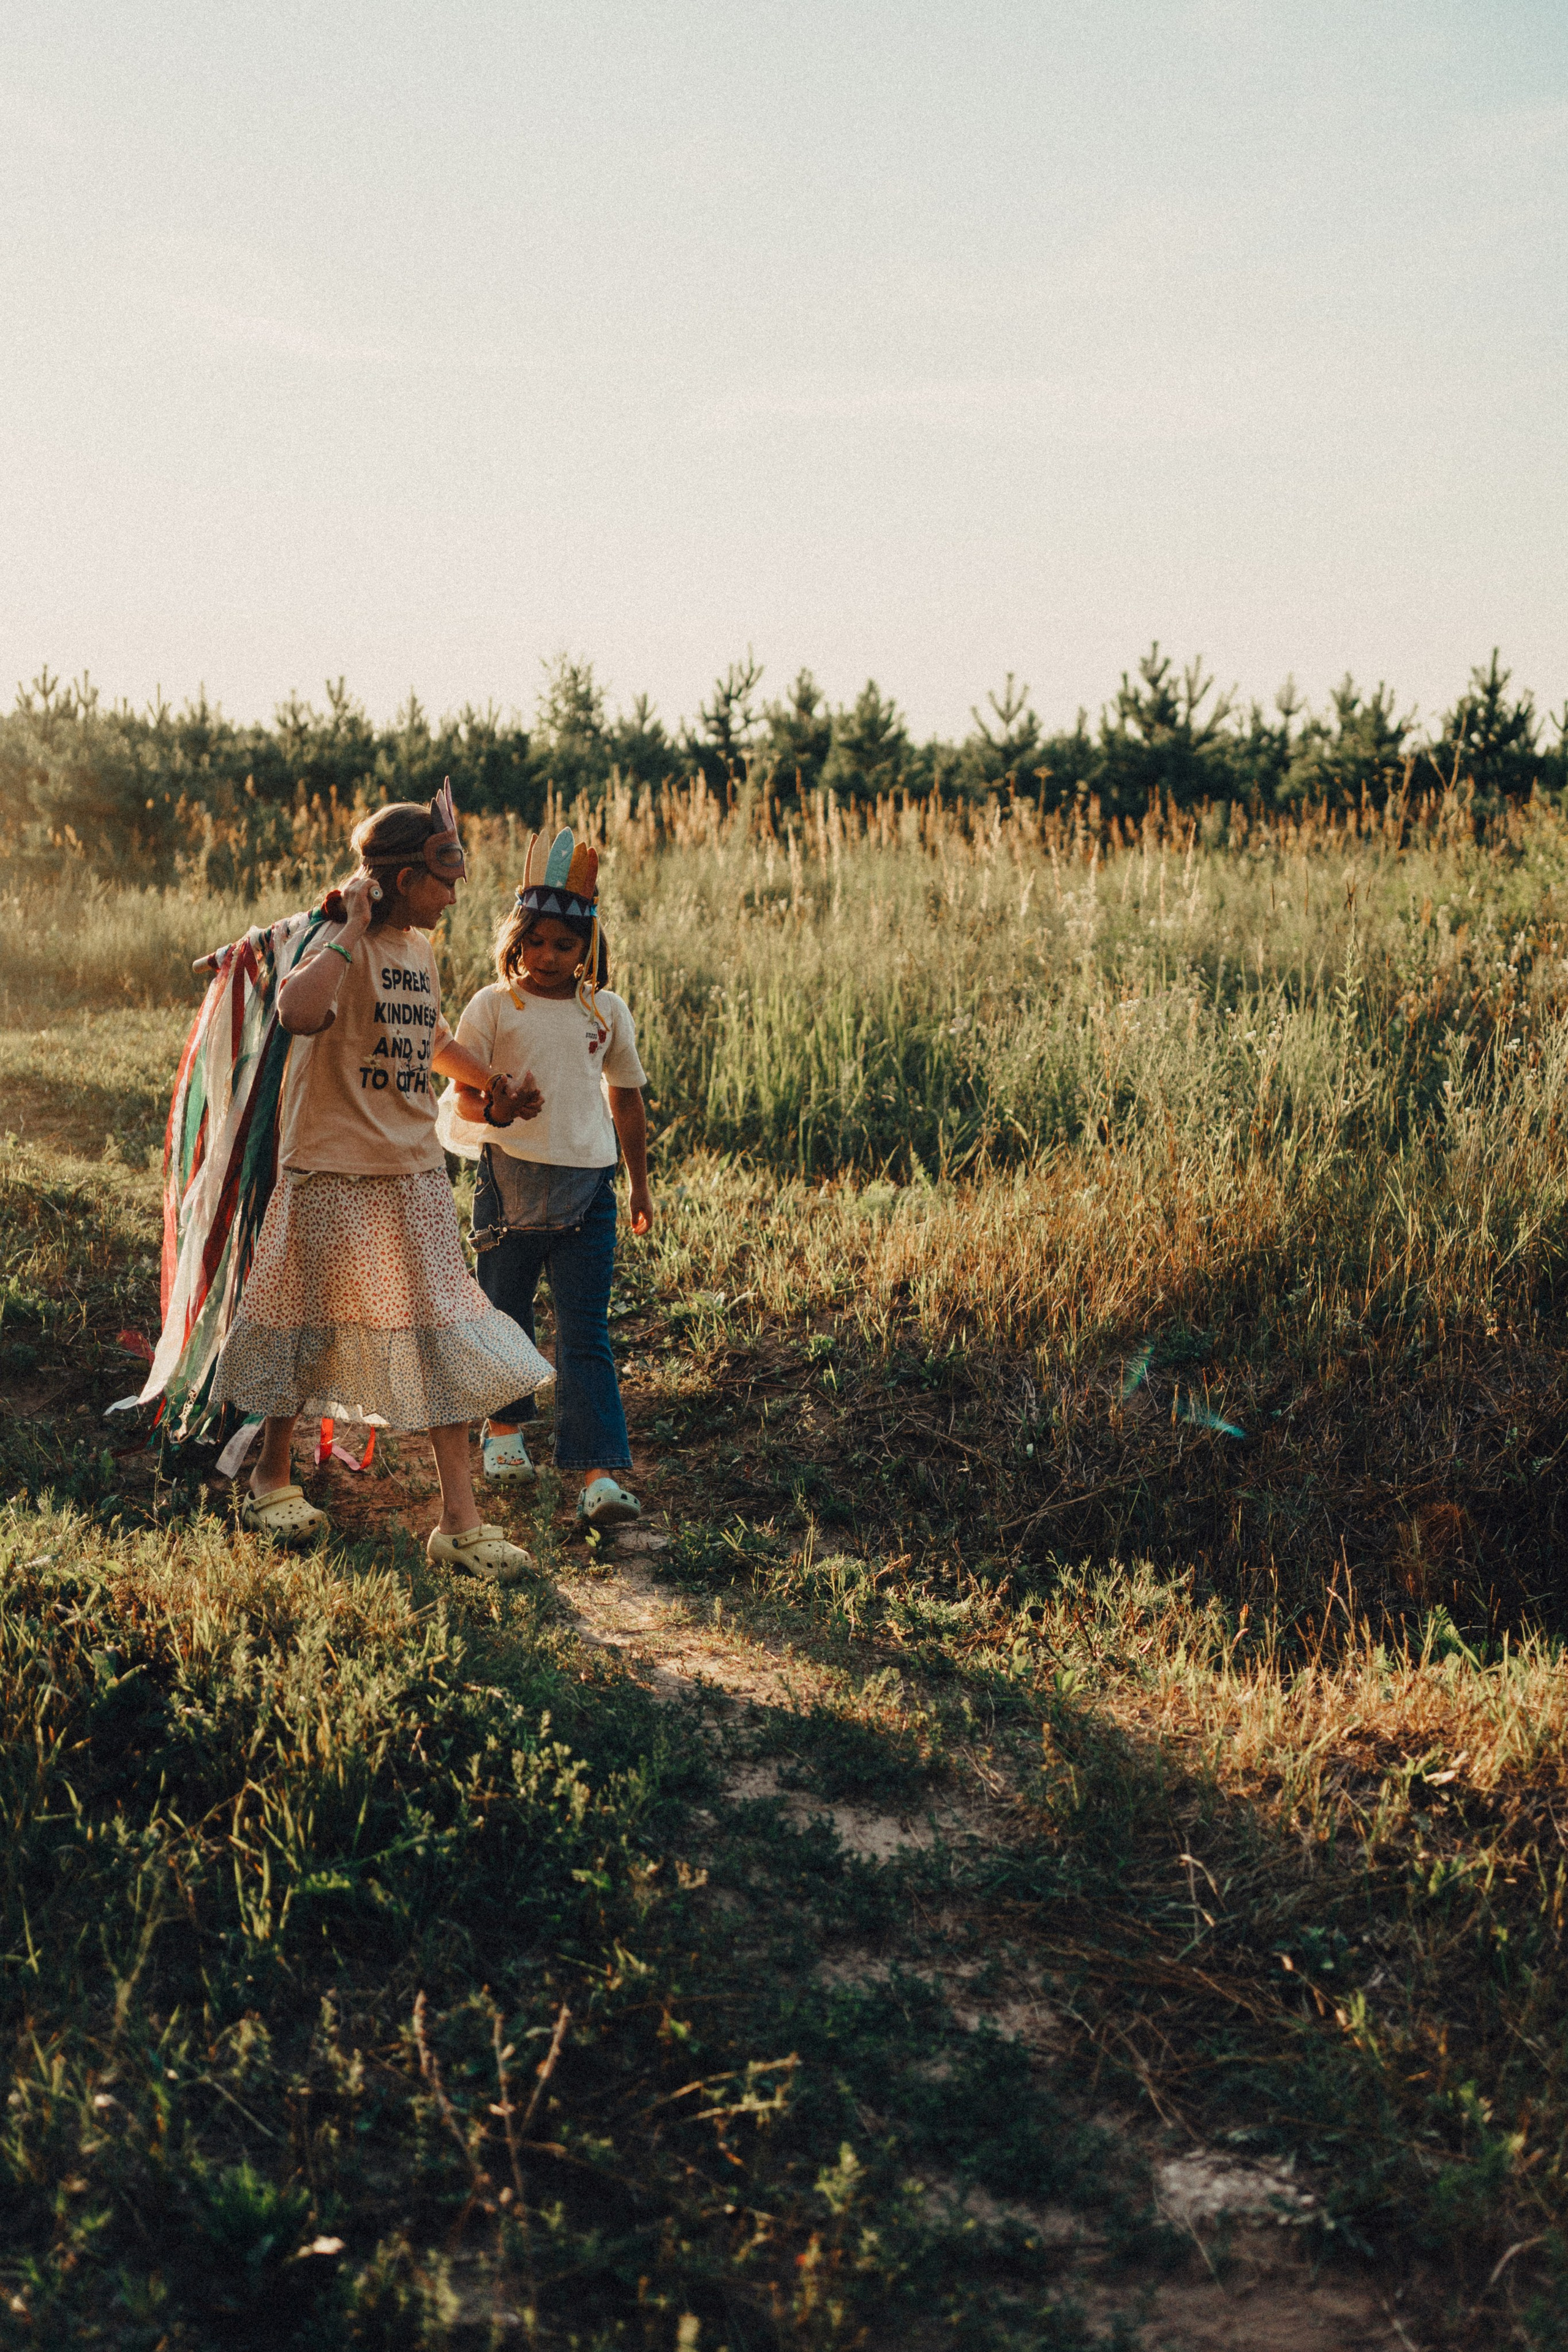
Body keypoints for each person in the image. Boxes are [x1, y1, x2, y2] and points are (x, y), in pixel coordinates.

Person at [205, 785, 554, 1580]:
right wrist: (348, 930)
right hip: (330, 1168)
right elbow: (298, 1012)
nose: (458, 890)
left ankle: (458, 1524)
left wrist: (491, 1082)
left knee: (440, 1332)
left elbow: (420, 1029)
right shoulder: (338, 935)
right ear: (404, 879)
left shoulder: (417, 951)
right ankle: (269, 1479)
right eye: (447, 876)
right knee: (304, 1322)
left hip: (412, 1171)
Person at [436, 827, 651, 1531]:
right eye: (539, 942)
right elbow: (465, 1096)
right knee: (503, 1315)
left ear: (588, 947)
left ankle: (597, 1475)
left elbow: (625, 1096)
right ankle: (504, 1433)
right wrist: (495, 1101)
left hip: (589, 1189)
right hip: (509, 1183)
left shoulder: (604, 1013)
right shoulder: (495, 1007)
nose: (550, 957)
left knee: (585, 1331)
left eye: (567, 944)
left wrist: (641, 1185)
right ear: (517, 939)